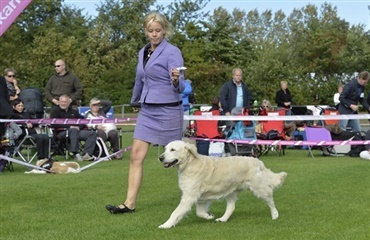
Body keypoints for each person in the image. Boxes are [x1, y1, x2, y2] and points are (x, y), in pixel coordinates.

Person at [105, 11, 185, 214]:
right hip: (148, 111)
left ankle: (199, 199)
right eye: (151, 31)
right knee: (135, 156)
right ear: (145, 31)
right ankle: (129, 203)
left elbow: (180, 86)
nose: (155, 34)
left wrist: (176, 79)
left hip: (169, 109)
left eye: (158, 30)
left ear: (164, 30)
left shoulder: (172, 52)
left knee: (182, 161)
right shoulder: (142, 52)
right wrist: (135, 100)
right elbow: (139, 79)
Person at [50, 94, 97, 161]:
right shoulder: (55, 111)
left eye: (65, 102)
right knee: (73, 130)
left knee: (92, 134)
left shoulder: (74, 111)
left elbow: (82, 120)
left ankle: (87, 154)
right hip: (61, 132)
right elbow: (53, 124)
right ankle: (76, 153)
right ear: (59, 102)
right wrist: (70, 126)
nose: (63, 103)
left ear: (69, 103)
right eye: (62, 101)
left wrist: (78, 127)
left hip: (76, 131)